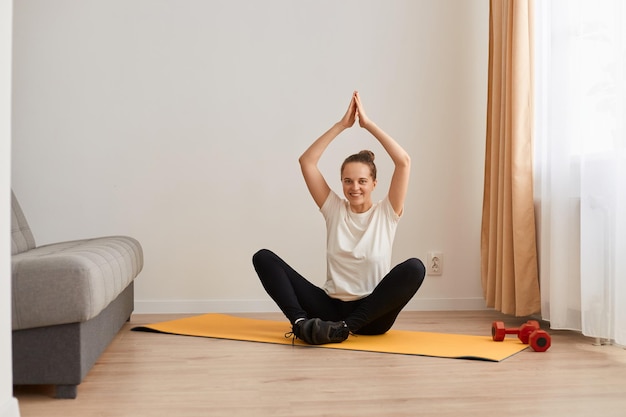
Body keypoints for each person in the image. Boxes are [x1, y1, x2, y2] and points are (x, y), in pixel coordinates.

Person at [252, 91, 425, 345]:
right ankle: (300, 324)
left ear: (374, 183)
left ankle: (343, 329)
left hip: (372, 317)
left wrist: (368, 125)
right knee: (263, 258)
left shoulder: (387, 212)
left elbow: (404, 161)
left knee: (415, 268)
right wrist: (341, 125)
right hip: (330, 309)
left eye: (362, 181)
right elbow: (307, 162)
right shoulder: (334, 208)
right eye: (348, 181)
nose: (355, 187)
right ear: (342, 183)